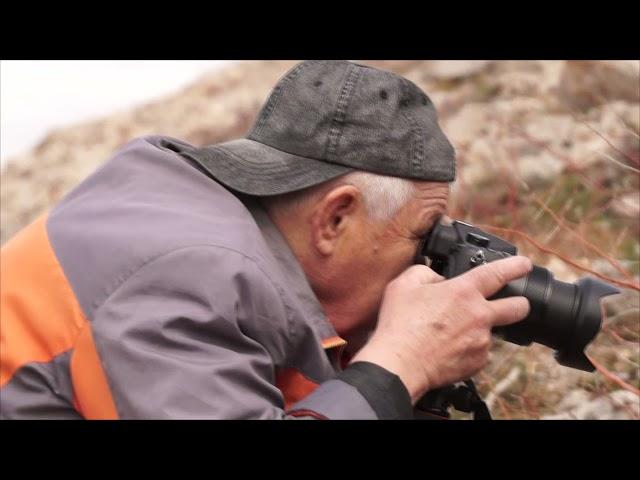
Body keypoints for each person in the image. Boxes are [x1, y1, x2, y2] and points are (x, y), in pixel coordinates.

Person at [0, 60, 531, 419]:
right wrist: (399, 365)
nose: (425, 263)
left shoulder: (185, 207)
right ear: (335, 220)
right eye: (420, 236)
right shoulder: (190, 276)